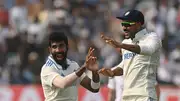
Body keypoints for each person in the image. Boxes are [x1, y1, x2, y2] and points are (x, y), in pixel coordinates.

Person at [99, 9, 162, 101]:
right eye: (123, 24)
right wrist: (112, 72)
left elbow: (147, 50)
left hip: (145, 95)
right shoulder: (126, 42)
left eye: (128, 24)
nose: (124, 28)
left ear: (138, 24)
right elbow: (124, 66)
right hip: (127, 96)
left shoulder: (152, 38)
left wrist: (120, 45)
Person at [40, 31, 100, 101]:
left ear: (67, 47)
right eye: (54, 47)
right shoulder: (47, 68)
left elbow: (94, 88)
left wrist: (95, 72)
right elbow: (62, 84)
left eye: (61, 46)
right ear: (50, 50)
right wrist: (84, 67)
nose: (58, 50)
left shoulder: (73, 65)